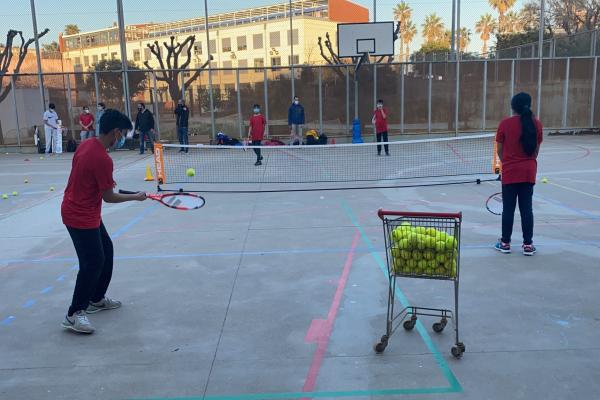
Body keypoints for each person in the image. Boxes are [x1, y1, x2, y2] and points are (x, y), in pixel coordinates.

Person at [60, 109, 147, 334]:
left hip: (85, 211)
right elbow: (109, 196)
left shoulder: (86, 145)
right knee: (92, 262)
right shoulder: (101, 158)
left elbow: (93, 183)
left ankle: (96, 298)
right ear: (116, 131)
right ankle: (74, 313)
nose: (123, 138)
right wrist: (135, 197)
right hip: (79, 215)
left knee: (105, 251)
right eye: (123, 134)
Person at [494, 92, 543, 256]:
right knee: (526, 209)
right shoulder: (536, 124)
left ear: (512, 106)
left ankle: (505, 243)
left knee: (508, 209)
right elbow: (536, 151)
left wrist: (507, 162)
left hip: (510, 172)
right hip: (529, 171)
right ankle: (528, 245)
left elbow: (500, 150)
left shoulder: (505, 124)